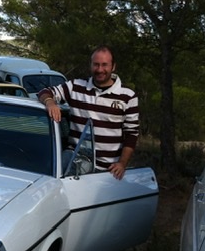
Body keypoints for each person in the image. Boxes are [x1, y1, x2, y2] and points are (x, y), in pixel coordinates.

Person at [37, 45, 139, 180]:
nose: (100, 69)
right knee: (49, 182)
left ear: (113, 66)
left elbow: (132, 134)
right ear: (90, 65)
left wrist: (122, 163)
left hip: (108, 170)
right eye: (96, 64)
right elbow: (44, 92)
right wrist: (50, 102)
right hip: (74, 163)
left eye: (104, 65)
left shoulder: (128, 96)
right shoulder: (75, 87)